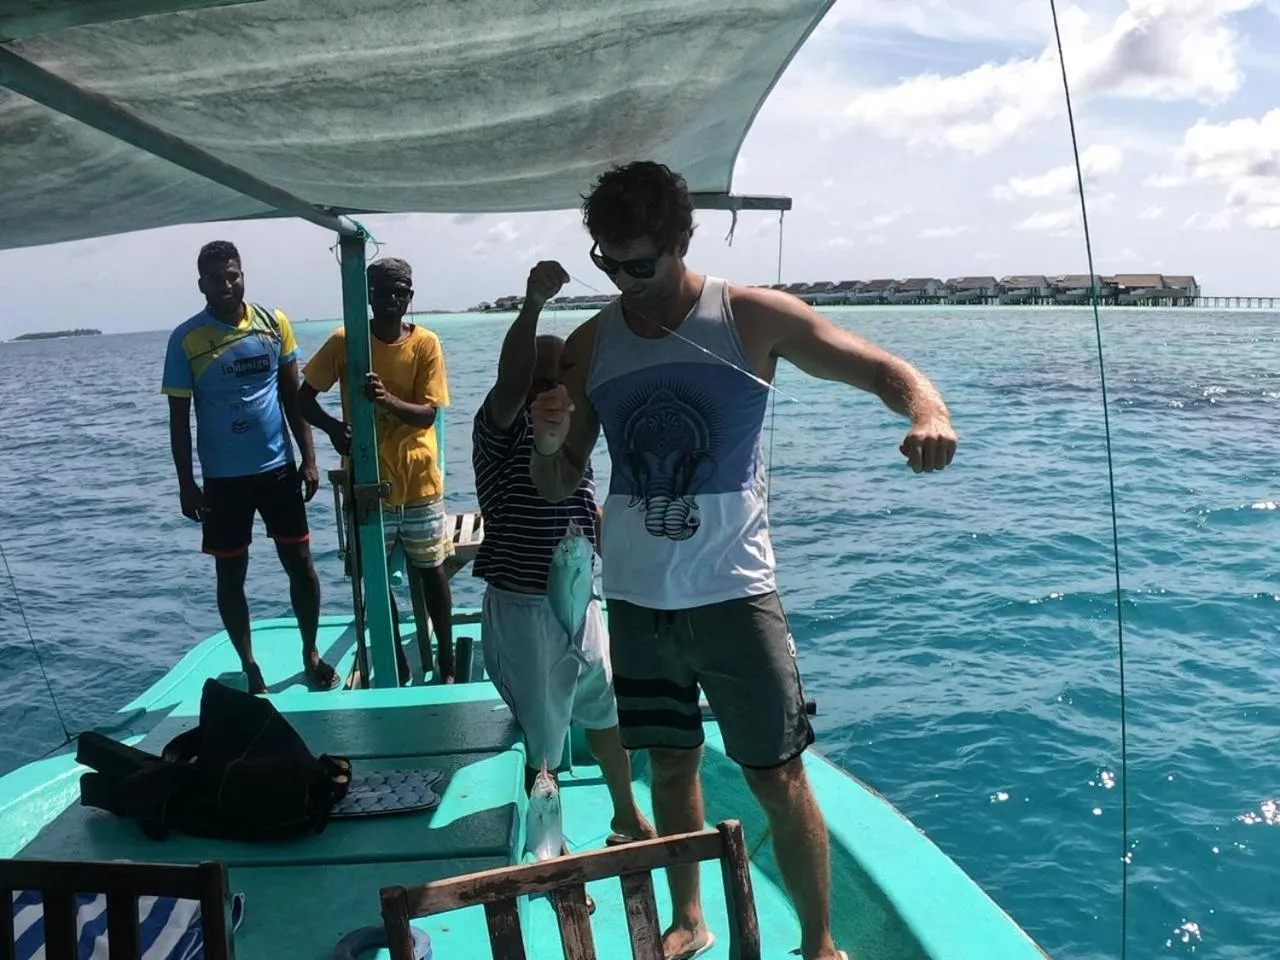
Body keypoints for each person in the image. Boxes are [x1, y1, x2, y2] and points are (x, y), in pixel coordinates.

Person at [529, 162, 958, 960]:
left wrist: (927, 411)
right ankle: (691, 917)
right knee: (669, 763)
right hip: (636, 598)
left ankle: (819, 942)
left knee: (778, 776)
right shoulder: (594, 342)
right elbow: (558, 480)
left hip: (735, 594)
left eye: (639, 263)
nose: (622, 279)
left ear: (680, 241)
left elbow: (876, 368)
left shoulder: (750, 317)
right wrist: (550, 446)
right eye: (606, 262)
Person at [472, 259, 654, 848]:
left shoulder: (575, 430)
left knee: (604, 705)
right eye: (540, 378)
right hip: (525, 606)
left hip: (579, 601)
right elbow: (511, 377)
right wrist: (531, 307)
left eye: (561, 379)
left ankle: (626, 814)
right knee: (544, 739)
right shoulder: (499, 424)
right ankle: (548, 848)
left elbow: (580, 505)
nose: (553, 389)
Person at [162, 240, 335, 695]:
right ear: (201, 284)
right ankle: (249, 661)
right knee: (230, 575)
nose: (226, 284)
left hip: (278, 469)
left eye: (233, 275)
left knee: (301, 563)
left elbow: (292, 395)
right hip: (222, 481)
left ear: (244, 275)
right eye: (216, 278)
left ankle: (310, 650)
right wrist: (186, 484)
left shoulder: (273, 323)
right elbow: (179, 420)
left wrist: (311, 458)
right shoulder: (186, 340)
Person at [298, 257, 455, 684]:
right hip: (367, 483)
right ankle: (395, 659)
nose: (391, 299)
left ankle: (447, 664)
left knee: (432, 569)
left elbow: (426, 415)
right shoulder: (345, 341)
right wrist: (334, 430)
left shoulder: (426, 344)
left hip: (420, 482)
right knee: (373, 573)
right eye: (382, 291)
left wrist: (385, 400)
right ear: (366, 295)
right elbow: (302, 397)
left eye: (400, 291)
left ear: (411, 296)